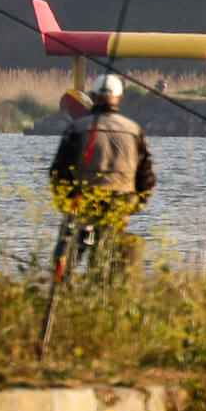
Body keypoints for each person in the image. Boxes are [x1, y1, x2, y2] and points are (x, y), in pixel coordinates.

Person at [49, 73, 156, 275]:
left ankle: (62, 285)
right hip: (120, 203)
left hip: (84, 202)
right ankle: (105, 288)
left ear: (92, 96)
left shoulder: (77, 128)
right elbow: (147, 177)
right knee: (108, 257)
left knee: (67, 251)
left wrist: (65, 204)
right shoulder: (134, 130)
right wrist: (136, 205)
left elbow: (59, 172)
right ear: (120, 99)